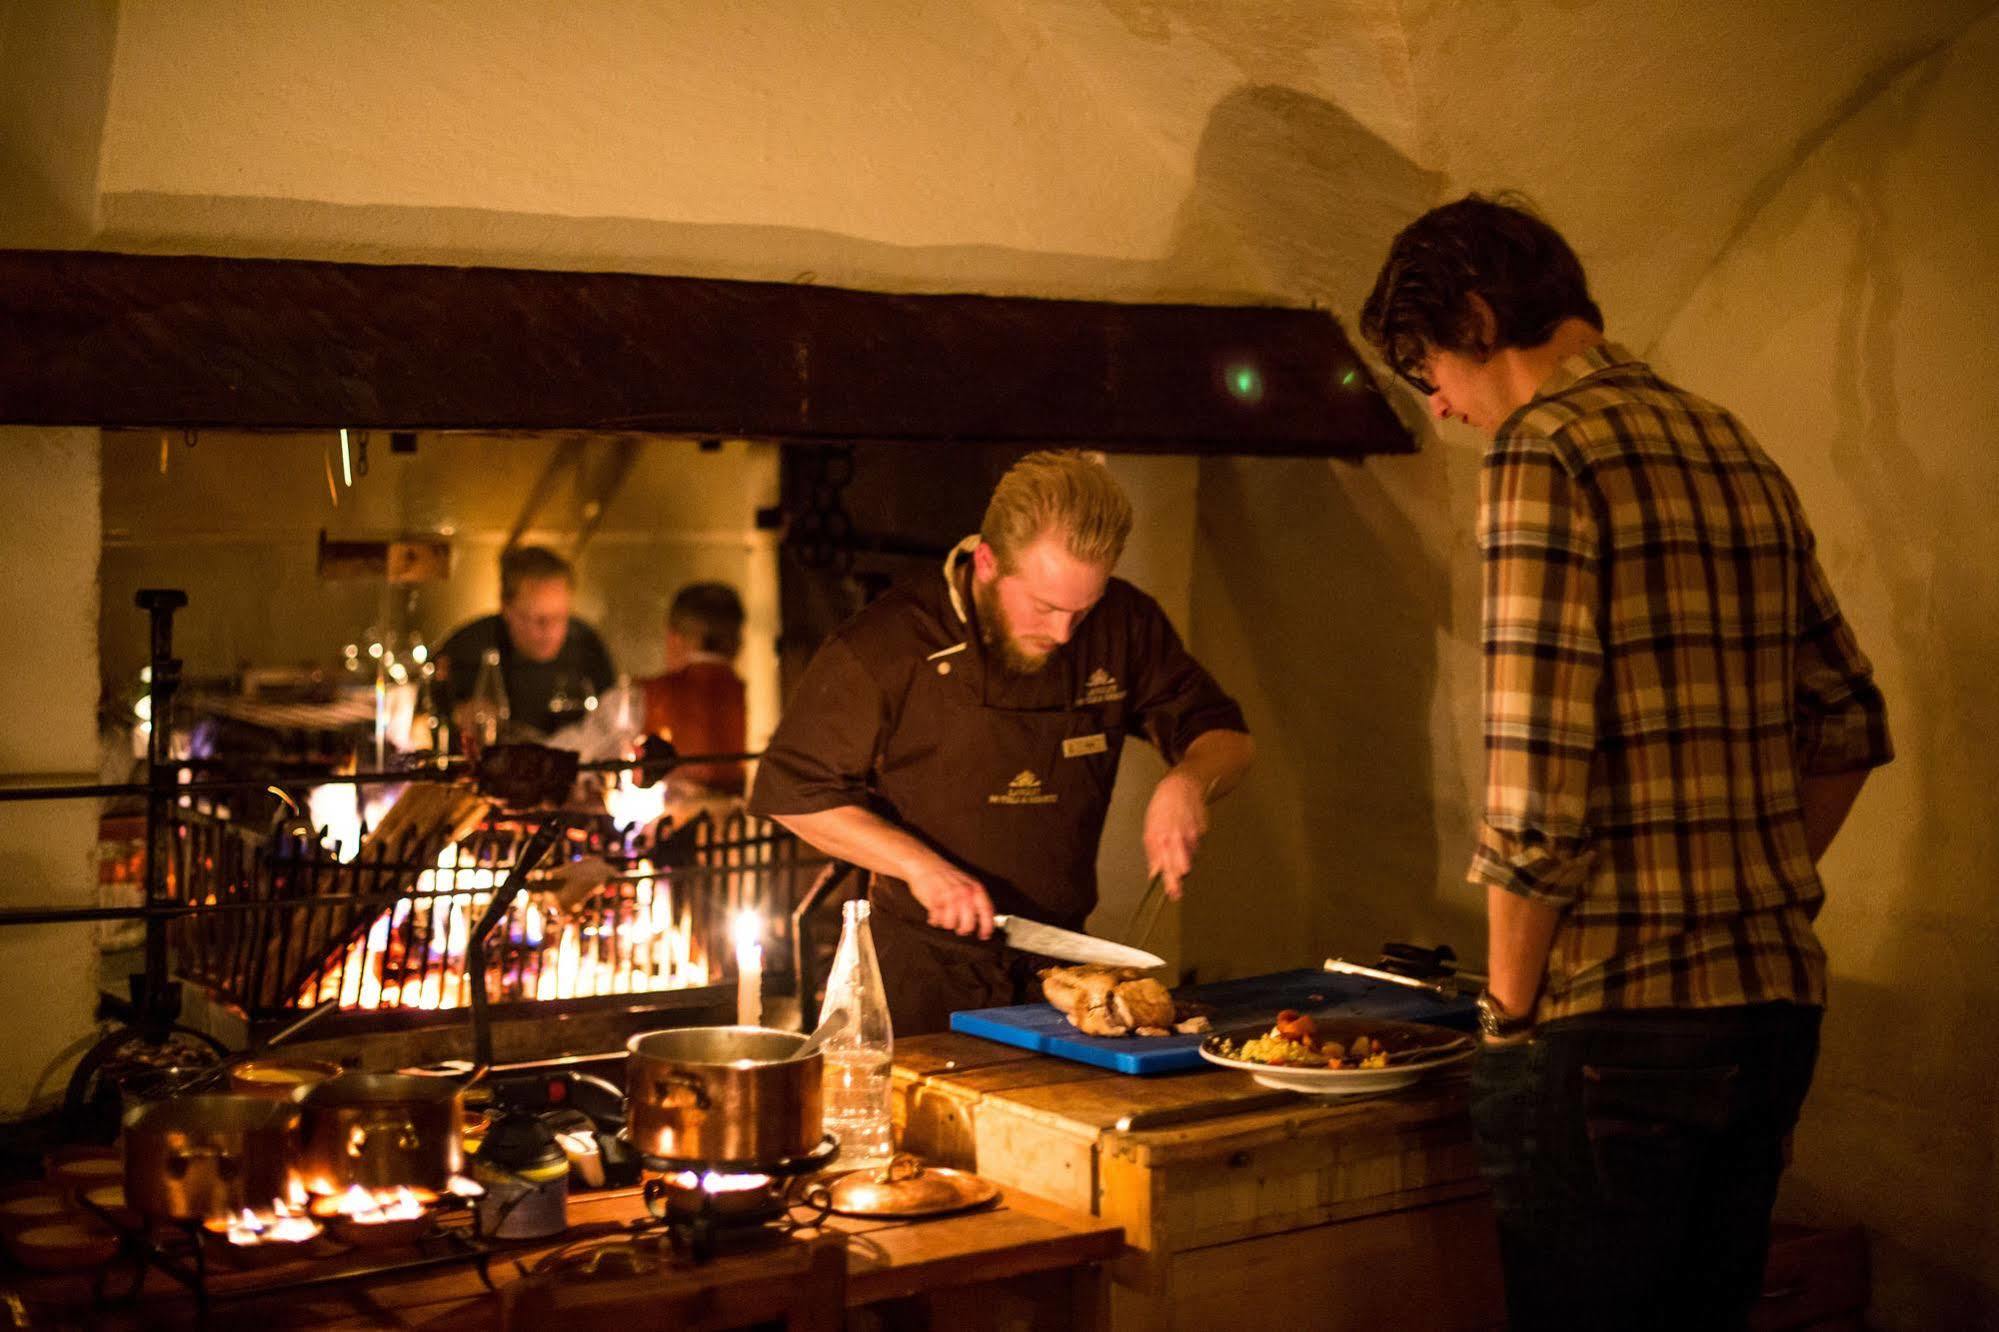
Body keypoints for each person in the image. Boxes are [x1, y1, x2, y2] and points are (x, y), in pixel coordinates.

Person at [1360, 194, 1893, 1331]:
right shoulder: (1727, 440)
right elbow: (1848, 723)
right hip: (1768, 1005)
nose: (1440, 406)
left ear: (1475, 314)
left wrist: (1506, 1016)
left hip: (1608, 1030)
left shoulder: (1541, 454)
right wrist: (1751, 876)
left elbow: (1534, 789)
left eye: (1427, 368)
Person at [749, 450, 1255, 1035]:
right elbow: (791, 792)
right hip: (920, 973)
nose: (1065, 632)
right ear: (986, 562)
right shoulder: (886, 645)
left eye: (1082, 610)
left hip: (1063, 976)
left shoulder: (1124, 625)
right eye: (1044, 607)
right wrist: (918, 867)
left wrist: (1188, 780)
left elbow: (1227, 738)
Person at [433, 545, 616, 741]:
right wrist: (457, 716)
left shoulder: (586, 647)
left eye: (560, 617)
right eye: (538, 619)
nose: (550, 630)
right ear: (507, 609)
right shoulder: (467, 649)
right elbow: (424, 721)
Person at [641, 582, 749, 795]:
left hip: (674, 817)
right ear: (736, 643)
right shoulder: (738, 690)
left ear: (674, 638)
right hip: (735, 816)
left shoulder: (651, 693)